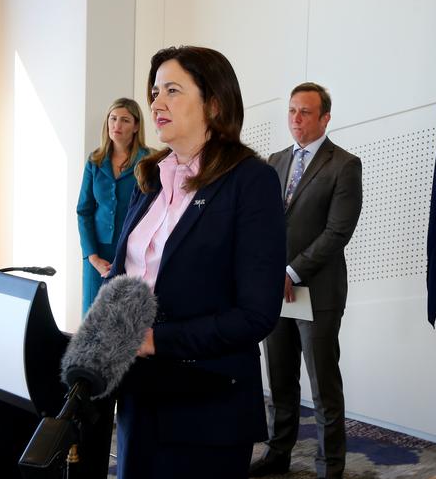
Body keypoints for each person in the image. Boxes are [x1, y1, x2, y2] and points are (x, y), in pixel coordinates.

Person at [105, 46, 286, 479]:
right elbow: (123, 273)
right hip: (139, 395)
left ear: (214, 103)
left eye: (172, 90)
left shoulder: (251, 181)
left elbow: (257, 314)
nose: (156, 103)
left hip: (207, 404)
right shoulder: (149, 177)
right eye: (154, 91)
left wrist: (156, 341)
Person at [249, 82, 362, 478]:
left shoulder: (344, 165)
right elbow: (262, 223)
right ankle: (278, 453)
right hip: (274, 292)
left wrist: (291, 271)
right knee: (280, 379)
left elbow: (337, 233)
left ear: (325, 118)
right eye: (292, 111)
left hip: (317, 290)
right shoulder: (276, 160)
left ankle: (330, 466)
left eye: (306, 112)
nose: (296, 119)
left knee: (323, 385)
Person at [76, 98, 150, 315]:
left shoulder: (149, 161)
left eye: (125, 120)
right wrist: (92, 256)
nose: (117, 125)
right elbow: (84, 210)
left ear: (136, 126)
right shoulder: (95, 161)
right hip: (97, 253)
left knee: (125, 319)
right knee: (92, 319)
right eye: (113, 118)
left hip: (134, 253)